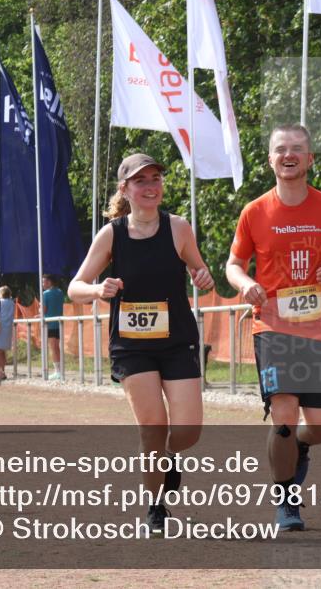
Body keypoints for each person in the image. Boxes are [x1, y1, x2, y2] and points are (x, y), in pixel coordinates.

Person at [68, 153, 213, 536]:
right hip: (132, 346)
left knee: (188, 430)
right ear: (125, 189)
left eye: (155, 179)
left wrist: (203, 277)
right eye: (140, 181)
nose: (150, 186)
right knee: (152, 425)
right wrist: (98, 289)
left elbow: (201, 269)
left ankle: (170, 455)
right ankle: (155, 505)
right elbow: (75, 287)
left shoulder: (178, 228)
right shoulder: (111, 234)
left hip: (177, 340)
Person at [226, 124, 321, 532]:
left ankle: (298, 445)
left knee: (320, 426)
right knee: (283, 415)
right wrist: (245, 284)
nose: (289, 155)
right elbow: (233, 264)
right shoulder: (254, 211)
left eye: (297, 148)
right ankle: (286, 499)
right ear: (270, 159)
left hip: (319, 330)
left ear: (309, 159)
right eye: (281, 149)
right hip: (273, 327)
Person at [41, 274, 65, 379]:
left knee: (53, 348)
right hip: (59, 323)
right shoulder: (60, 292)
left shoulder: (45, 294)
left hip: (50, 324)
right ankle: (60, 370)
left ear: (49, 282)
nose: (42, 284)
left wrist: (40, 311)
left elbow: (44, 310)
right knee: (57, 347)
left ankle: (57, 372)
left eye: (44, 282)